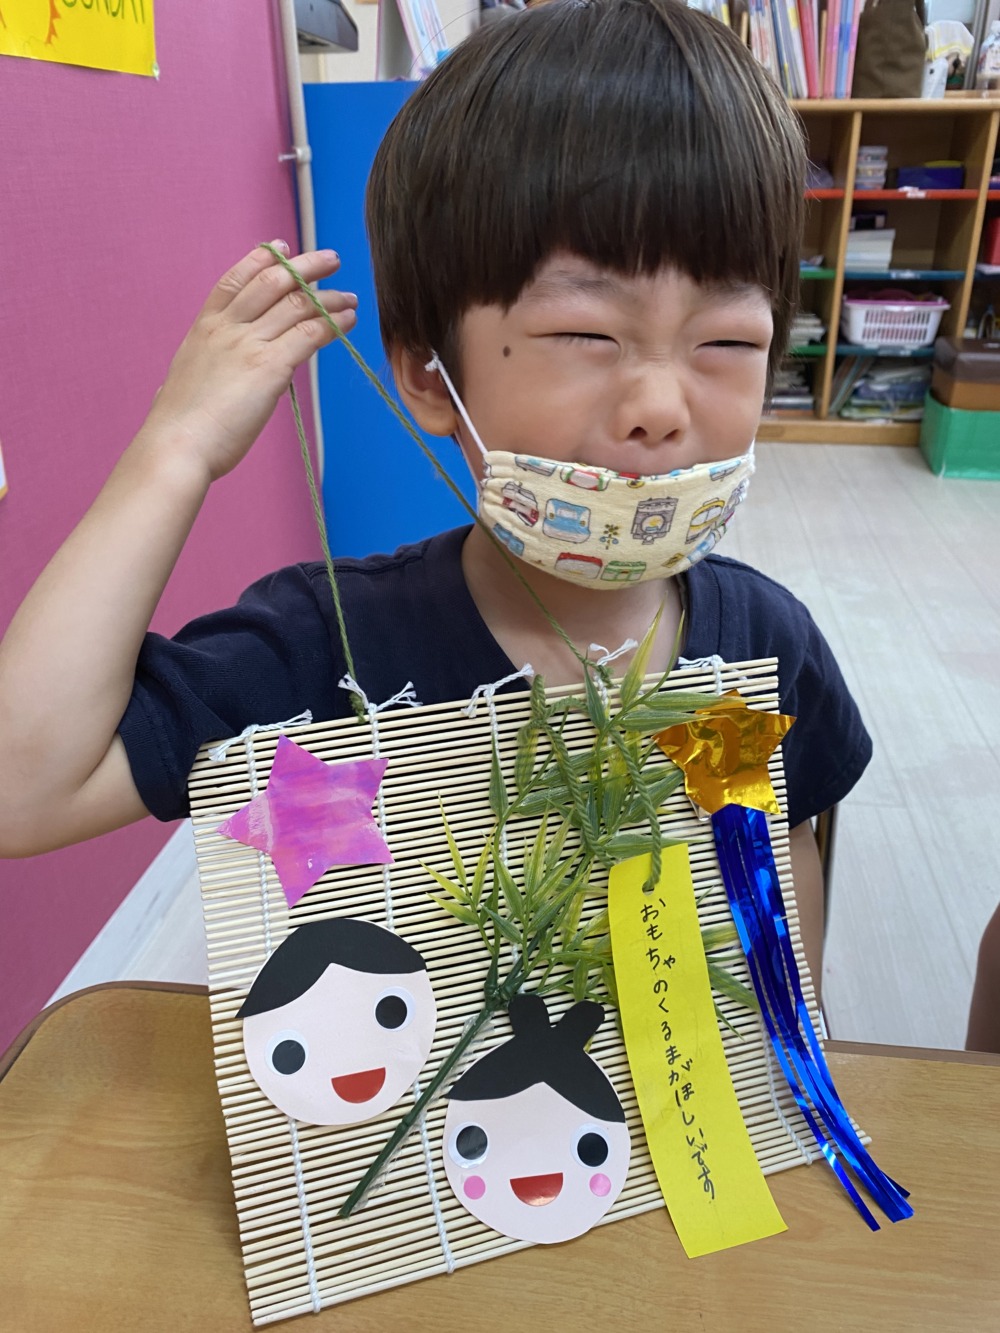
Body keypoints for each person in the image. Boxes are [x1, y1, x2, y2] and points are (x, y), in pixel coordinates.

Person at [0, 0, 871, 989]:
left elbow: (787, 900)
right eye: (586, 334)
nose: (661, 407)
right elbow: (23, 788)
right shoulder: (327, 652)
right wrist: (177, 449)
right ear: (427, 373)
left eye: (727, 342)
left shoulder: (768, 646)